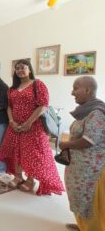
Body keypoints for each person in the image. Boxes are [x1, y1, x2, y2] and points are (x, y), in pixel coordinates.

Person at [0, 59, 64, 195]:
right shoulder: (12, 89)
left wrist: (28, 123)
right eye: (17, 68)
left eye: (23, 67)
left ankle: (30, 179)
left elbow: (43, 105)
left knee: (33, 153)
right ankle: (18, 176)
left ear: (29, 69)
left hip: (33, 127)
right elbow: (9, 106)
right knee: (16, 151)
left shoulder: (37, 84)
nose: (20, 70)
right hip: (15, 126)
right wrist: (11, 121)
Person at [60, 76, 105, 231]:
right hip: (78, 166)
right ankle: (83, 225)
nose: (72, 93)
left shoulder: (97, 113)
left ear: (88, 90)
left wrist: (66, 144)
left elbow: (88, 141)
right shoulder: (85, 111)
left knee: (89, 200)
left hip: (91, 169)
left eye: (76, 88)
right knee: (79, 197)